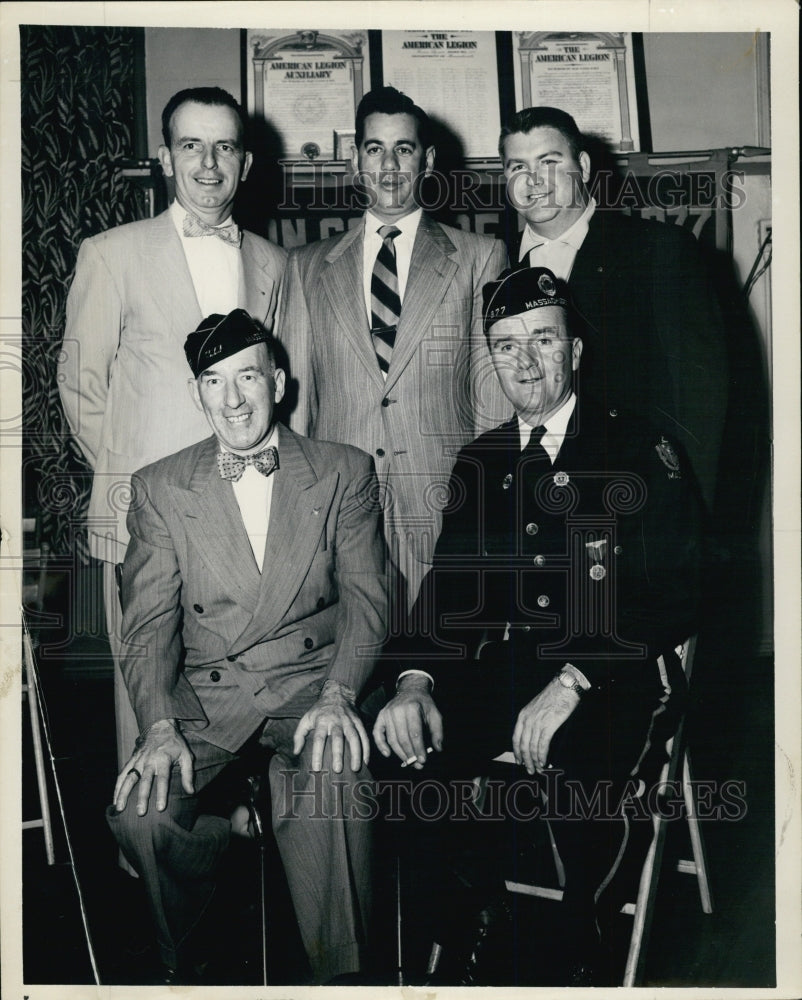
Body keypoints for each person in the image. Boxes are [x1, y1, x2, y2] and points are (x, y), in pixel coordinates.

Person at [373, 266, 704, 985]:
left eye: (543, 341)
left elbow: (682, 590)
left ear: (576, 351)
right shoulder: (482, 459)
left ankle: (586, 945)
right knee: (400, 748)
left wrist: (574, 679)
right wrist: (415, 680)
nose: (523, 361)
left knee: (588, 767)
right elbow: (446, 592)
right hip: (508, 670)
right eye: (505, 345)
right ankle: (461, 927)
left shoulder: (641, 449)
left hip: (612, 673)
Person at [106, 309, 387, 984]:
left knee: (338, 781)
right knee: (141, 814)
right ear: (196, 393)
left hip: (311, 685)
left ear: (279, 383)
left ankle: (340, 974)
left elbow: (369, 601)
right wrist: (161, 725)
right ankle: (195, 960)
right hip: (210, 698)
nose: (232, 400)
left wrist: (340, 693)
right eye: (213, 382)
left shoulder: (344, 471)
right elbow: (147, 627)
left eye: (248, 378)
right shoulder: (160, 488)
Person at [58, 86, 287, 778]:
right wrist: (142, 488)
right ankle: (149, 858)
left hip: (249, 508)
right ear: (165, 158)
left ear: (245, 163)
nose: (208, 163)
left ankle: (240, 835)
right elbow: (80, 386)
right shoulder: (111, 254)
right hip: (143, 513)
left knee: (245, 685)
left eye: (224, 147)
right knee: (150, 694)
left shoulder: (275, 265)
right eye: (191, 145)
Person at [277, 86, 508, 613]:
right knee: (350, 667)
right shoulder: (307, 266)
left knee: (442, 666)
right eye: (374, 148)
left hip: (446, 501)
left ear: (427, 160)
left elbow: (491, 393)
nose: (388, 164)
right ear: (354, 158)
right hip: (339, 505)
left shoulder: (479, 256)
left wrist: (490, 502)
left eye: (403, 148)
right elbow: (296, 404)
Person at [499, 106, 727, 511]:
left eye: (549, 162)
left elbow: (702, 400)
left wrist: (690, 518)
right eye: (518, 167)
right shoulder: (492, 263)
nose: (533, 181)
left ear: (583, 166)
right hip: (525, 506)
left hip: (635, 504)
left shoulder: (658, 251)